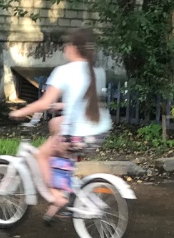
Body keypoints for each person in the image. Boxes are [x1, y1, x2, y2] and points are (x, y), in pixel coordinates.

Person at [9, 27, 112, 221]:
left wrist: (19, 112)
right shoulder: (97, 72)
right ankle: (64, 178)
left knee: (41, 155)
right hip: (99, 133)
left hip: (78, 136)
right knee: (56, 124)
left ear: (73, 48)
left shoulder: (64, 71)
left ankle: (58, 197)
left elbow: (43, 103)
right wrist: (62, 104)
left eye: (66, 45)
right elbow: (87, 101)